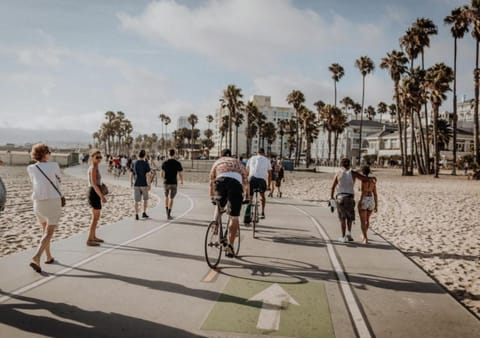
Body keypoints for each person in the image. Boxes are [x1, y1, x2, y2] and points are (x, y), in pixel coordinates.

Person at [26, 143, 63, 272]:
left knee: (44, 231)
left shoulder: (31, 168)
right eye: (49, 152)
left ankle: (48, 256)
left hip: (38, 202)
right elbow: (59, 180)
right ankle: (36, 257)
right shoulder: (54, 166)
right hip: (52, 201)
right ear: (45, 153)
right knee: (49, 232)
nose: (50, 154)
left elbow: (34, 182)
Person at [209, 149, 248, 257]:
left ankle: (215, 225)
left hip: (220, 181)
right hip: (235, 184)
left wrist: (212, 196)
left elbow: (211, 180)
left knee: (219, 205)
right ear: (230, 155)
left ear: (221, 156)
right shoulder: (237, 162)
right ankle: (230, 246)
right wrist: (246, 195)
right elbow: (245, 180)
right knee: (234, 217)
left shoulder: (218, 161)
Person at [330, 157, 371, 243]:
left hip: (340, 198)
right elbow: (364, 178)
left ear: (341, 164)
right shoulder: (353, 173)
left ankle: (343, 236)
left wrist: (331, 199)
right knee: (349, 218)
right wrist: (372, 178)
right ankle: (349, 234)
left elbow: (332, 188)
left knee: (342, 218)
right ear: (349, 164)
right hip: (350, 198)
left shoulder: (338, 174)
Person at [87, 149, 107, 246]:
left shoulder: (95, 167)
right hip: (94, 193)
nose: (99, 159)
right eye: (97, 157)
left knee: (96, 217)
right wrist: (102, 196)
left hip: (95, 192)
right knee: (95, 218)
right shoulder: (94, 167)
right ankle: (90, 239)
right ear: (92, 158)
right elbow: (94, 184)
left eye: (100, 157)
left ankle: (93, 236)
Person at [246, 148, 271, 218]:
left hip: (252, 179)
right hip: (261, 180)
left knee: (250, 197)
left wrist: (246, 182)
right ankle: (262, 212)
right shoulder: (266, 160)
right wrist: (268, 185)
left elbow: (247, 170)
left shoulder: (251, 158)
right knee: (262, 196)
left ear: (257, 153)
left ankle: (248, 212)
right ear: (264, 153)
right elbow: (270, 173)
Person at [161, 149, 184, 220]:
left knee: (166, 197)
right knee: (171, 198)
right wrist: (181, 181)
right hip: (174, 182)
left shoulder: (164, 163)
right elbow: (180, 174)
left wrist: (164, 178)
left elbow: (161, 174)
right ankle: (169, 214)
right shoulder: (177, 163)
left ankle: (166, 212)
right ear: (174, 154)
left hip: (166, 182)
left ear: (168, 154)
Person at [357, 165, 378, 244]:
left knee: (363, 221)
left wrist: (359, 202)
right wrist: (376, 205)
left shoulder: (362, 181)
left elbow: (362, 193)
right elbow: (375, 194)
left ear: (362, 172)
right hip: (371, 200)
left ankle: (365, 238)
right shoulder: (372, 181)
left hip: (364, 199)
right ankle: (363, 235)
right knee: (367, 220)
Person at [131, 149, 152, 220]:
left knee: (136, 200)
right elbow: (148, 175)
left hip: (136, 184)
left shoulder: (134, 163)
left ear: (138, 155)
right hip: (144, 184)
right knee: (145, 199)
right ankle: (144, 212)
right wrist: (149, 184)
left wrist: (131, 183)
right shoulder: (146, 163)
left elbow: (131, 173)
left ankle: (136, 214)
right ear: (144, 155)